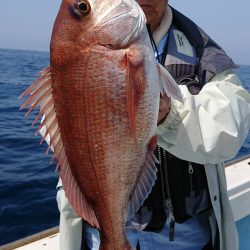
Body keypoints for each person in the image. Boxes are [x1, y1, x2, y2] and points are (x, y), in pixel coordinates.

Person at [55, 0, 250, 249]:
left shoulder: (203, 51)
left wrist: (170, 113)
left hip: (183, 236)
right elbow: (59, 133)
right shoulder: (75, 58)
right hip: (99, 229)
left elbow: (230, 131)